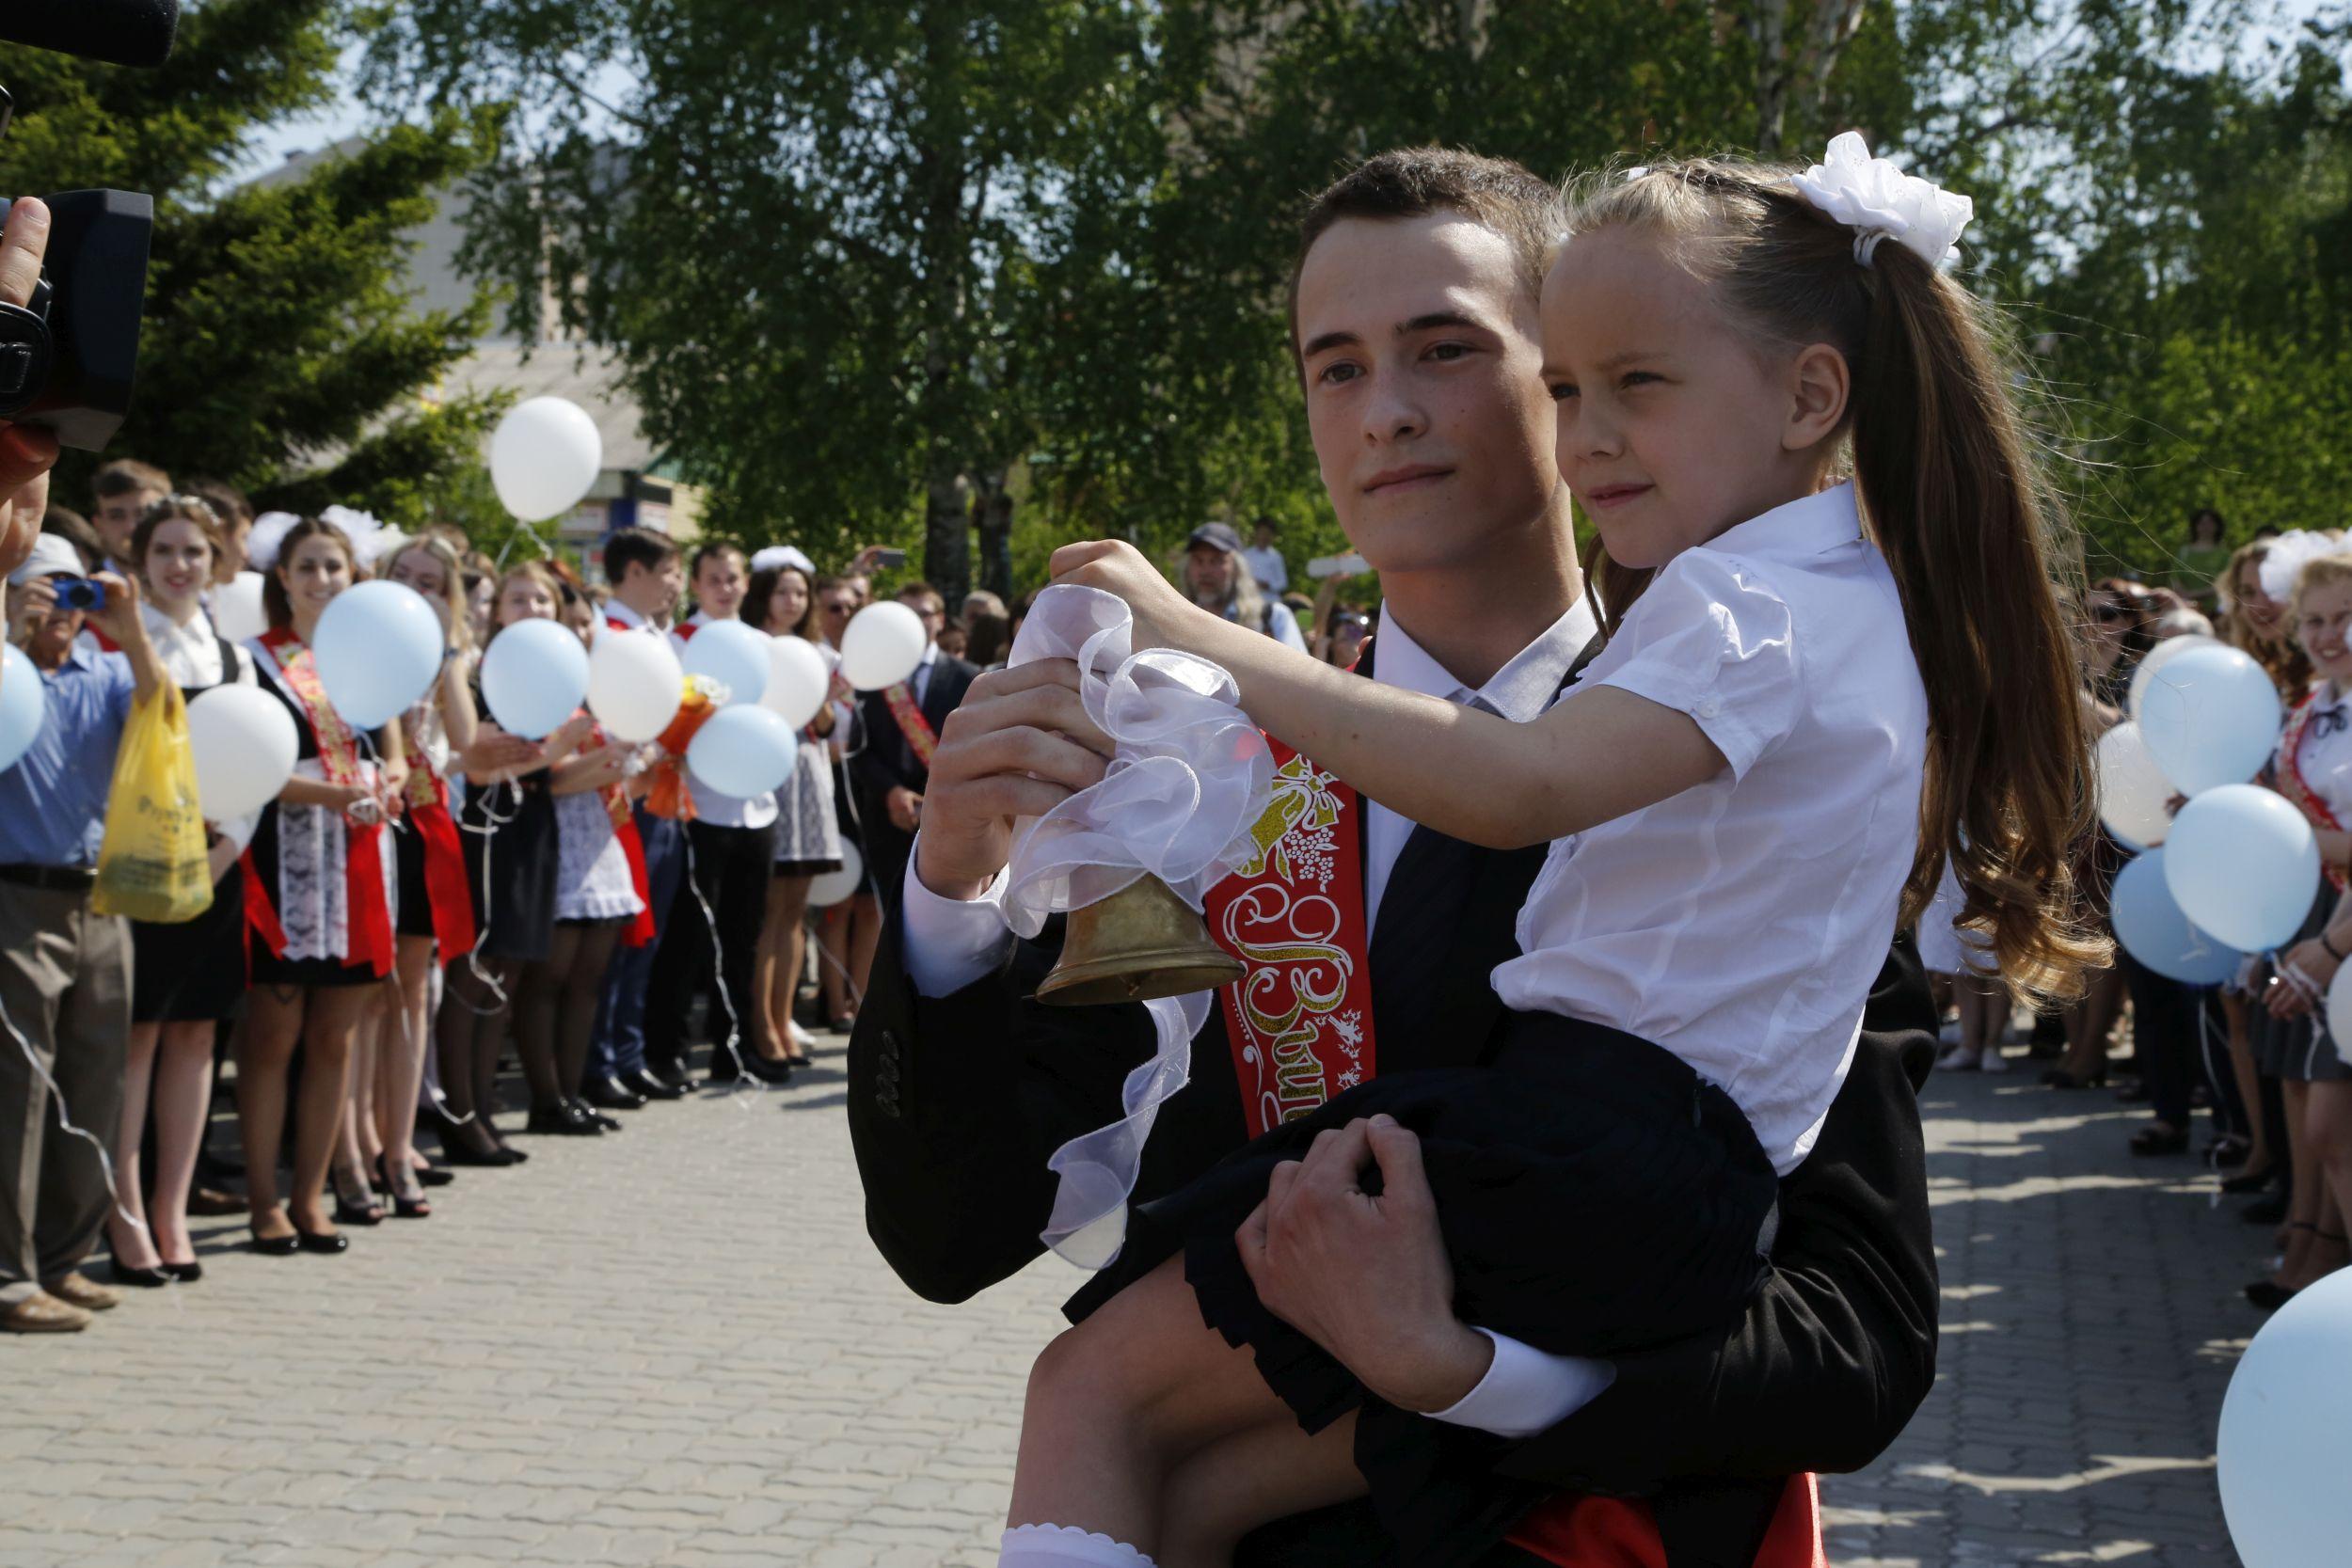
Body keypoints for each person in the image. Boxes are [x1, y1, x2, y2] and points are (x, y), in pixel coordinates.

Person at [855, 148, 1945, 1567]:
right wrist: (950, 899)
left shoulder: (1741, 754)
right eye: (1338, 367)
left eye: (1447, 349)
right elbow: (958, 1235)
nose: (1390, 412)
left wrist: (1466, 1368)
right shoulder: (1201, 786)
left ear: (1573, 374)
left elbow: (1857, 1334)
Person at [0, 533, 165, 1330]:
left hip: (100, 898)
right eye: (43, 589)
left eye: (73, 590)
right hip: (17, 898)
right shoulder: (4, 670)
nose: (60, 606)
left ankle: (63, 1257)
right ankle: (8, 1273)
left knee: (96, 1080)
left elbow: (163, 713)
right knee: (18, 1090)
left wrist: (129, 624)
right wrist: (6, 630)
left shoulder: (104, 670)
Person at [104, 497, 261, 1285]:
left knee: (197, 1034)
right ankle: (124, 1208)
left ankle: (171, 1207)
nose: (179, 564)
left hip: (216, 862)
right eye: (163, 550)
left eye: (193, 551)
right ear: (139, 561)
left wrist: (229, 845)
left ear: (216, 561)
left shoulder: (234, 655)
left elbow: (257, 758)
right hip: (139, 862)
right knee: (137, 1036)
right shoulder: (118, 645)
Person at [237, 518, 402, 1256]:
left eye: (333, 566)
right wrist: (336, 795)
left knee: (335, 1036)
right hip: (283, 855)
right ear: (283, 577)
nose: (321, 579)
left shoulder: (368, 660)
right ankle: (264, 1200)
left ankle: (311, 1195)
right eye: (307, 566)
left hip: (358, 859)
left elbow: (394, 754)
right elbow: (247, 768)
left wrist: (389, 782)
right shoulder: (253, 662)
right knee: (274, 1035)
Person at [2243, 550, 2352, 1307]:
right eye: (2314, 619)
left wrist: (2292, 836)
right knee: (2324, 1123)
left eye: (2345, 617)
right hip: (2329, 916)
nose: (2327, 633)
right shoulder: (2310, 713)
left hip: (2339, 927)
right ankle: (2317, 1251)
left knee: (2330, 1122)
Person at [646, 542, 789, 1086]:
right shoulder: (680, 642)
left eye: (732, 577)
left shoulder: (763, 645)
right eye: (713, 579)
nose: (725, 587)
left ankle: (736, 1046)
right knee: (688, 935)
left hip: (756, 807)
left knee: (743, 935)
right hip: (700, 807)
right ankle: (670, 1048)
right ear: (697, 586)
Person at [375, 535, 487, 1211]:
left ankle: (397, 1138)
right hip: (371, 818)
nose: (415, 588)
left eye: (429, 581)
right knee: (368, 996)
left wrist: (447, 651)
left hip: (427, 820)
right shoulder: (358, 640)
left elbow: (466, 739)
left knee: (412, 989)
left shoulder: (446, 651)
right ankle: (364, 1139)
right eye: (402, 575)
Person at [587, 526, 690, 1104]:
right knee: (621, 935)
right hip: (619, 800)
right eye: (670, 571)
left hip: (661, 796)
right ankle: (600, 1058)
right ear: (634, 573)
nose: (676, 584)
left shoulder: (656, 637)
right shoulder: (607, 636)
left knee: (647, 935)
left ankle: (628, 1053)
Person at [749, 557, 841, 1069]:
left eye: (800, 593)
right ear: (763, 594)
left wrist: (820, 694)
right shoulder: (750, 646)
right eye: (783, 592)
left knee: (795, 910)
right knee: (770, 907)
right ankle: (759, 1025)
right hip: (768, 772)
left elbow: (827, 729)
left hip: (807, 774)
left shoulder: (816, 653)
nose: (793, 602)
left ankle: (783, 1019)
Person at [847, 580, 980, 914]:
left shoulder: (969, 677)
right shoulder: (872, 676)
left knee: (943, 917)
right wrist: (892, 792)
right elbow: (859, 749)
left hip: (948, 817)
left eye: (924, 613)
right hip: (886, 816)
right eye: (907, 613)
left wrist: (932, 796)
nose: (917, 622)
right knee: (889, 917)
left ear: (940, 619)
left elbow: (977, 747)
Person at [813, 574, 882, 1029]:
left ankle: (864, 1000)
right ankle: (832, 1002)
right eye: (833, 607)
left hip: (869, 784)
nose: (843, 616)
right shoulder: (810, 659)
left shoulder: (874, 660)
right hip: (827, 783)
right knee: (835, 900)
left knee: (869, 902)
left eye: (851, 607)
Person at [1182, 522, 1307, 652]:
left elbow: (1301, 671)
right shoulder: (1179, 623)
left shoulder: (1273, 618)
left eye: (1217, 560)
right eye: (1198, 560)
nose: (1205, 571)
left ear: (1237, 568)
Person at [88, 459, 169, 576]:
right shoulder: (83, 589)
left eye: (144, 514)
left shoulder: (199, 592)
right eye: (116, 516)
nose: (131, 528)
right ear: (99, 526)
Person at [1239, 517, 1289, 595]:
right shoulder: (1246, 554)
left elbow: (1283, 583)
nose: (1264, 537)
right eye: (1261, 533)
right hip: (1249, 599)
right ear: (1256, 533)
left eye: (1268, 534)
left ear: (1273, 536)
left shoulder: (1276, 556)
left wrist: (1269, 586)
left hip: (1270, 600)